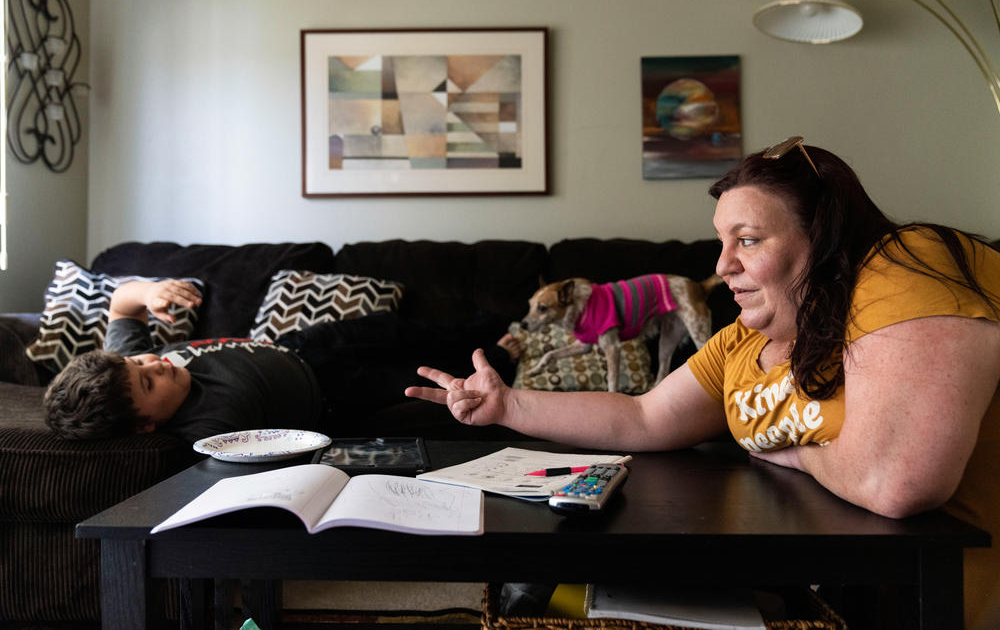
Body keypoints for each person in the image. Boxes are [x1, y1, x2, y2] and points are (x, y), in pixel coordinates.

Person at [405, 137, 1000, 629]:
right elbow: (642, 418)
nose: (721, 265)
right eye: (722, 241)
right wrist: (509, 404)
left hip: (939, 602)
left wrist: (795, 455)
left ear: (824, 239)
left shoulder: (910, 262)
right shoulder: (742, 341)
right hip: (824, 596)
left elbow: (896, 481)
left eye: (748, 239)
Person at [43, 279, 520, 444]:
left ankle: (493, 324)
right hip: (333, 394)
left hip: (300, 344)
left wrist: (148, 292)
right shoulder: (208, 427)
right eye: (147, 385)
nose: (156, 366)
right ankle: (503, 358)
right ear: (145, 426)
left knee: (397, 328)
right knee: (417, 375)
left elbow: (121, 305)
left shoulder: (127, 367)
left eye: (142, 363)